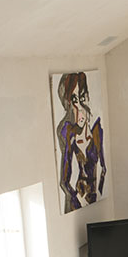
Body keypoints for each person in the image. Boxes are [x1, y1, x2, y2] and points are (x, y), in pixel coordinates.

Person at [55, 72, 106, 212]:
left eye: (82, 98)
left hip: (95, 198)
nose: (80, 108)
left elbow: (103, 168)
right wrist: (79, 199)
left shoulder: (97, 129)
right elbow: (64, 182)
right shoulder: (68, 133)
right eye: (74, 101)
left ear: (87, 97)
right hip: (78, 202)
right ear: (69, 104)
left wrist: (99, 191)